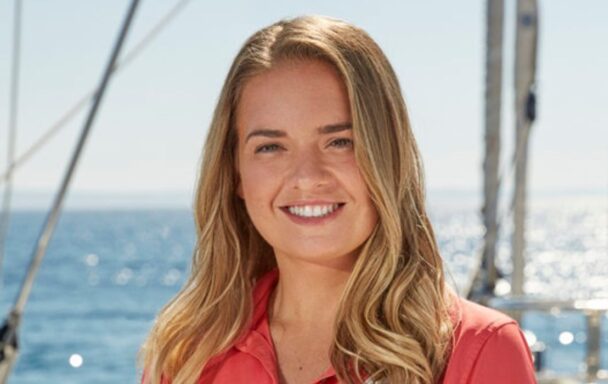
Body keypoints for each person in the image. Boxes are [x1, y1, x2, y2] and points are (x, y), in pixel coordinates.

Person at [140, 15, 537, 384]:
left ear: (388, 158)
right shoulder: (187, 354)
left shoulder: (479, 349)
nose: (307, 176)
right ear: (235, 174)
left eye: (339, 142)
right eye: (270, 147)